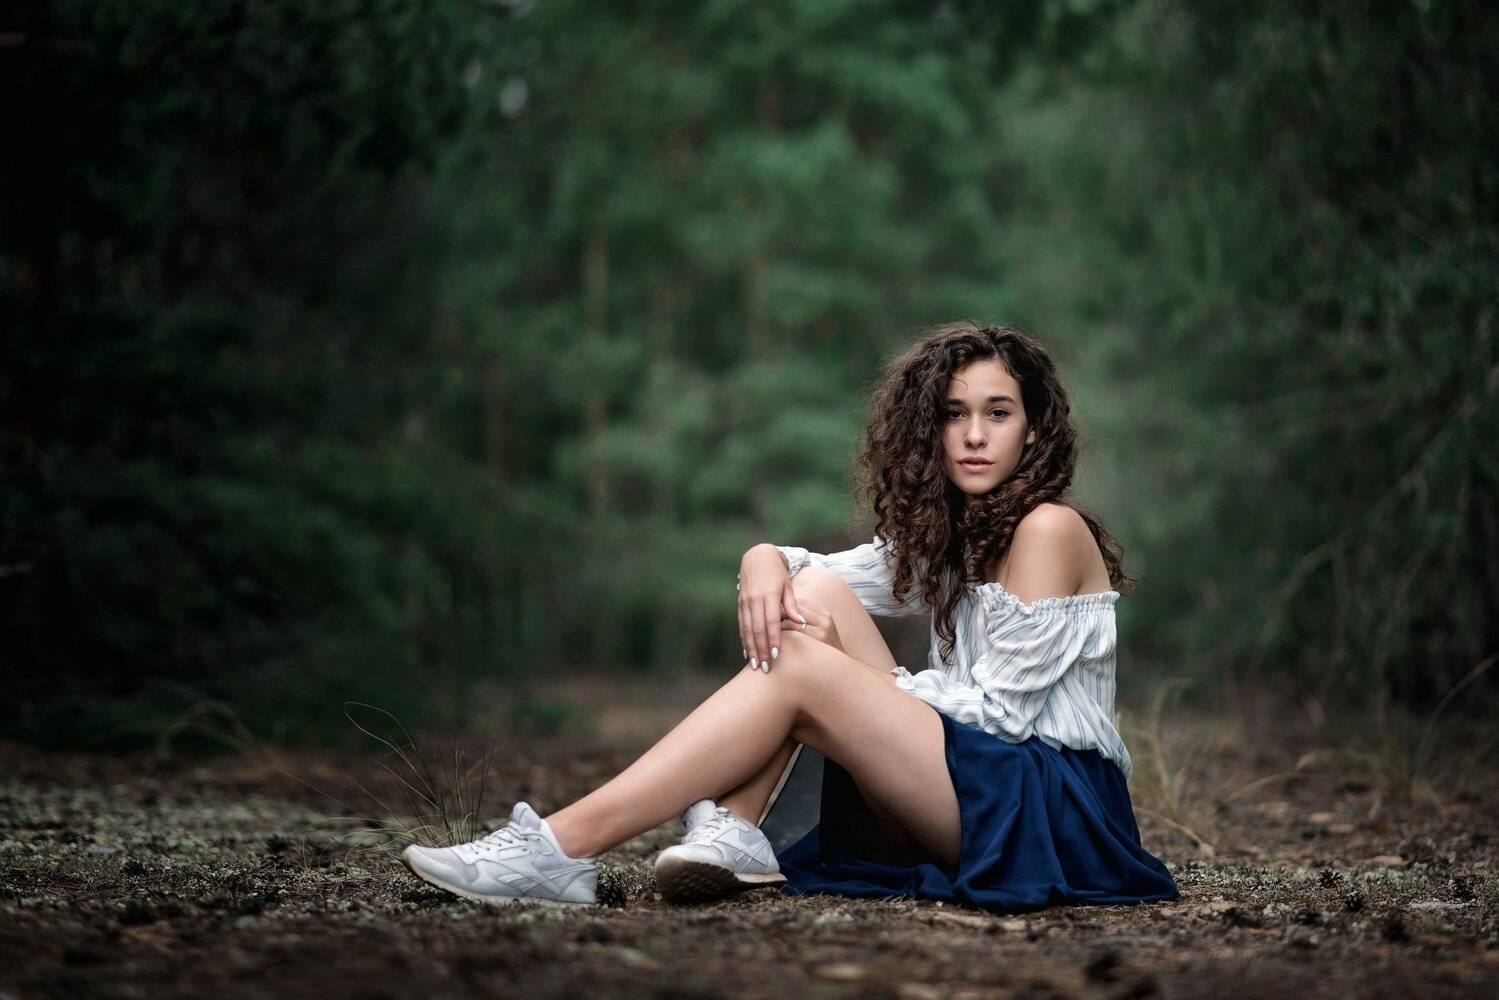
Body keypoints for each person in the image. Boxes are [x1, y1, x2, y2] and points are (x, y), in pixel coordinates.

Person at [400, 321, 1179, 912]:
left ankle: (559, 847)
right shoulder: (957, 536)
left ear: (1033, 427)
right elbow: (810, 579)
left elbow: (1005, 719)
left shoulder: (1048, 527)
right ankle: (733, 829)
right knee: (808, 603)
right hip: (974, 792)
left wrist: (858, 686)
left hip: (1051, 815)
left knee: (807, 664)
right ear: (927, 430)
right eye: (952, 414)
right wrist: (759, 557)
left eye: (998, 413)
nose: (973, 436)